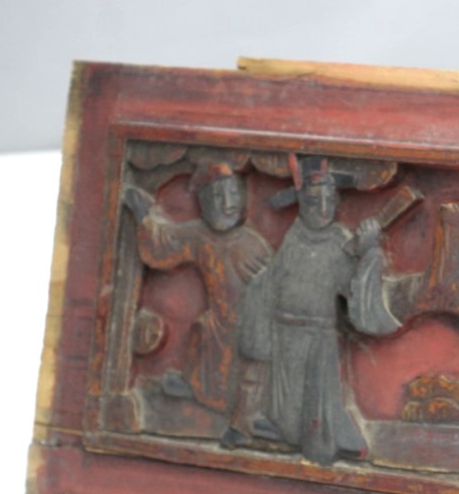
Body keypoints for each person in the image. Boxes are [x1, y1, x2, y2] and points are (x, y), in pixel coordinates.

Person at [238, 160, 394, 465]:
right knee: (286, 416)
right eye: (312, 201)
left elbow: (352, 290)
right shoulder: (293, 236)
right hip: (284, 337)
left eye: (327, 200)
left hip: (318, 339)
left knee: (318, 409)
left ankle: (327, 446)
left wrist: (369, 252)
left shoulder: (339, 240)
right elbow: (274, 281)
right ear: (300, 203)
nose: (321, 208)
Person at [123, 162, 272, 420]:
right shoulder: (201, 235)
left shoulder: (250, 243)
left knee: (247, 357)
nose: (228, 203)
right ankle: (203, 392)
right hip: (219, 319)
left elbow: (274, 286)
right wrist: (144, 217)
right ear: (203, 203)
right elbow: (167, 242)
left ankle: (247, 409)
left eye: (233, 194)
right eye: (218, 196)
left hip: (251, 322)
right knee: (205, 331)